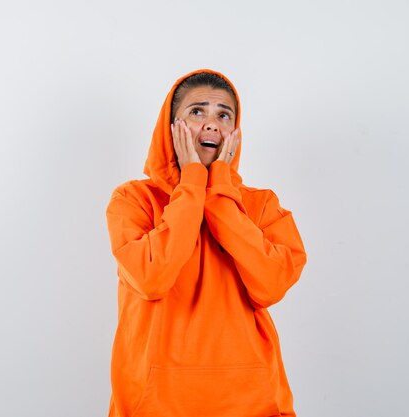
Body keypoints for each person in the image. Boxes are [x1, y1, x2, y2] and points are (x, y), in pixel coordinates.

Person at [105, 69, 307, 417]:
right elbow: (153, 278)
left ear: (235, 132)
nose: (212, 124)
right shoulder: (133, 199)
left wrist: (219, 193)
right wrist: (194, 181)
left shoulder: (262, 205)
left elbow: (270, 286)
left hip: (254, 402)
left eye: (223, 114)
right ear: (171, 128)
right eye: (197, 111)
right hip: (154, 404)